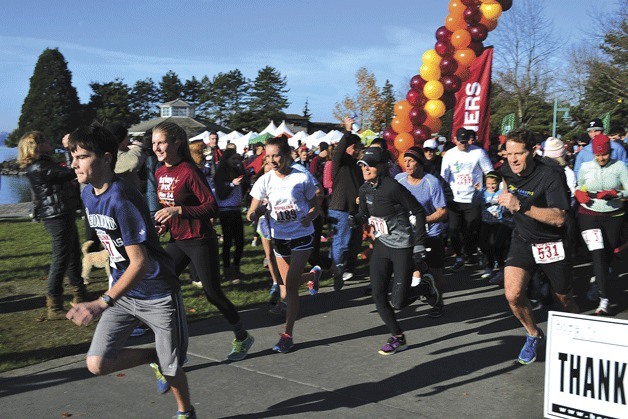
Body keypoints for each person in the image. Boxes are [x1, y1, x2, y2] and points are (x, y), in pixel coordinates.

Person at [64, 124, 196, 419]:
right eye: (73, 156)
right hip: (124, 294)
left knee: (173, 367)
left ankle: (186, 412)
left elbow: (140, 262)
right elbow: (117, 248)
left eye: (81, 156)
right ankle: (153, 356)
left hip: (156, 293)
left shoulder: (122, 198)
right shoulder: (88, 195)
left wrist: (101, 302)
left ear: (107, 158)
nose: (74, 164)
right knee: (97, 363)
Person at [152, 121, 254, 362]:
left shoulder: (189, 171)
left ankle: (242, 336)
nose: (156, 148)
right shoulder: (159, 171)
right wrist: (164, 223)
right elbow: (168, 207)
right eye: (153, 143)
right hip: (177, 239)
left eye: (161, 142)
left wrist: (179, 211)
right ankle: (173, 345)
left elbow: (211, 206)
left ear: (176, 143)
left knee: (212, 293)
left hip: (199, 240)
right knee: (160, 285)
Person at [497, 128, 579, 365]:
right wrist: (505, 197)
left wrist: (520, 206)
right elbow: (506, 183)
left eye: (519, 154)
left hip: (552, 242)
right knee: (512, 294)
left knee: (563, 298)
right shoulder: (507, 170)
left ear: (533, 151)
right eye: (508, 154)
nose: (513, 159)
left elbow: (559, 217)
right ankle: (533, 334)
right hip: (523, 239)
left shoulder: (551, 175)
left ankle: (579, 338)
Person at [352, 147, 431, 355]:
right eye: (362, 165)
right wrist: (354, 219)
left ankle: (424, 287)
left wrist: (420, 244)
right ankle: (398, 336)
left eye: (369, 165)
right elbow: (363, 215)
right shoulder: (364, 189)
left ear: (381, 166)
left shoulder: (392, 188)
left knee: (399, 302)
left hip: (402, 247)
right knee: (378, 294)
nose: (365, 169)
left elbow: (418, 211)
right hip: (382, 245)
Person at [247, 136, 321, 353]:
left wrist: (310, 215)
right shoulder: (264, 181)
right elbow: (251, 213)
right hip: (279, 237)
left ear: (287, 155)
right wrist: (257, 213)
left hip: (302, 235)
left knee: (288, 286)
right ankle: (312, 276)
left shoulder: (301, 178)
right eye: (268, 156)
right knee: (288, 283)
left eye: (276, 155)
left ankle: (287, 335)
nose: (271, 160)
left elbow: (316, 205)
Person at [18, 131, 87, 320]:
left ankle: (79, 294)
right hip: (57, 217)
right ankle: (54, 306)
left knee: (72, 256)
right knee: (61, 260)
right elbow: (69, 173)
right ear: (35, 146)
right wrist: (68, 149)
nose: (49, 141)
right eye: (44, 140)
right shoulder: (39, 167)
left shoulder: (42, 164)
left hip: (61, 214)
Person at [575, 134, 628, 315]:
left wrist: (617, 194)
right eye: (597, 156)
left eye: (604, 155)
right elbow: (579, 185)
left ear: (610, 152)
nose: (601, 159)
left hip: (614, 215)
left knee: (607, 256)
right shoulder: (585, 167)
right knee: (597, 254)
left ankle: (598, 280)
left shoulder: (620, 167)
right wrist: (578, 194)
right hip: (589, 215)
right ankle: (603, 299)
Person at [395, 146, 448, 318]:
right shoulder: (399, 180)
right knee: (408, 266)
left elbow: (442, 211)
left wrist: (422, 220)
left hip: (431, 233)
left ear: (420, 163)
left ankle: (438, 301)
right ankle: (422, 286)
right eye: (405, 161)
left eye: (411, 161)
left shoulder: (431, 182)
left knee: (435, 270)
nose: (407, 164)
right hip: (407, 233)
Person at [441, 128, 493, 271]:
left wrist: (489, 189)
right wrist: (445, 195)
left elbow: (489, 171)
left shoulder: (478, 152)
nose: (464, 145)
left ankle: (469, 253)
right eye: (461, 142)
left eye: (466, 142)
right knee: (453, 229)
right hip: (455, 199)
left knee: (470, 229)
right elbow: (443, 177)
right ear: (455, 140)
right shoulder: (450, 155)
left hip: (473, 198)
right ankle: (459, 256)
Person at [328, 116, 364, 290]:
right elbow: (339, 151)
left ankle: (344, 267)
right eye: (354, 147)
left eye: (358, 147)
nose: (357, 150)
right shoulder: (339, 162)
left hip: (354, 209)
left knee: (354, 242)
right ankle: (337, 272)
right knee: (341, 243)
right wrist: (348, 131)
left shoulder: (357, 166)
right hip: (340, 208)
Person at [214, 148, 247, 283]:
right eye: (233, 159)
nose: (236, 161)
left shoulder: (237, 171)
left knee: (240, 241)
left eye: (237, 159)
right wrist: (232, 184)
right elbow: (221, 195)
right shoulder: (220, 174)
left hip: (236, 209)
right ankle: (226, 270)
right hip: (226, 211)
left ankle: (236, 268)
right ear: (226, 159)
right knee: (228, 241)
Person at [477, 171, 512, 283]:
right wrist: (476, 192)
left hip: (498, 222)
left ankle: (501, 268)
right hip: (486, 222)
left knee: (496, 245)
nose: (491, 186)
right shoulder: (482, 192)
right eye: (488, 184)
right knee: (484, 245)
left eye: (493, 184)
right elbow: (474, 203)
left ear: (498, 183)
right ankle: (490, 266)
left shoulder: (502, 192)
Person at [106, 122, 146, 192]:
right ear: (120, 140)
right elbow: (134, 162)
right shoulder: (112, 155)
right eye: (126, 137)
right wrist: (137, 147)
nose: (129, 140)